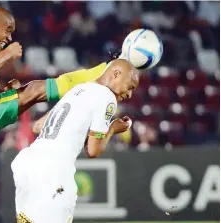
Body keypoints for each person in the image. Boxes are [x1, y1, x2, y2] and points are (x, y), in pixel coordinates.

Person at [0, 5, 120, 223]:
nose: (9, 38)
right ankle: (101, 73)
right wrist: (6, 57)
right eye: (7, 30)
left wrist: (9, 89)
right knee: (36, 90)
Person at [11, 59, 139, 223]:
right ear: (115, 74)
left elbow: (38, 126)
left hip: (28, 161)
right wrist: (113, 129)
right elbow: (93, 150)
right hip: (53, 169)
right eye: (130, 87)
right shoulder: (107, 97)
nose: (129, 95)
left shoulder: (79, 89)